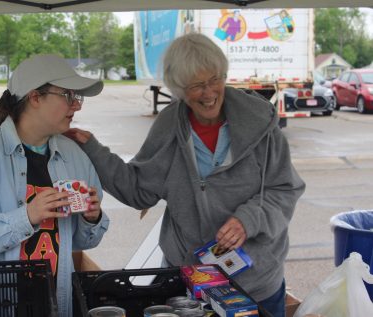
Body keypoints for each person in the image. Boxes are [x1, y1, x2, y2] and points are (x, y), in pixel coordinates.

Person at [65, 33, 305, 317]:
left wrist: (248, 219)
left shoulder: (260, 123)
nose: (209, 92)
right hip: (190, 284)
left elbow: (285, 189)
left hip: (257, 282)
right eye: (196, 86)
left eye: (215, 79)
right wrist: (92, 148)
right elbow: (138, 190)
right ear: (178, 88)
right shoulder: (168, 128)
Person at [0, 54, 109, 317]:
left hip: (56, 303)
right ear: (35, 97)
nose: (76, 106)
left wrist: (92, 218)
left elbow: (84, 241)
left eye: (78, 97)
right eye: (68, 95)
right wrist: (25, 217)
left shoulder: (75, 157)